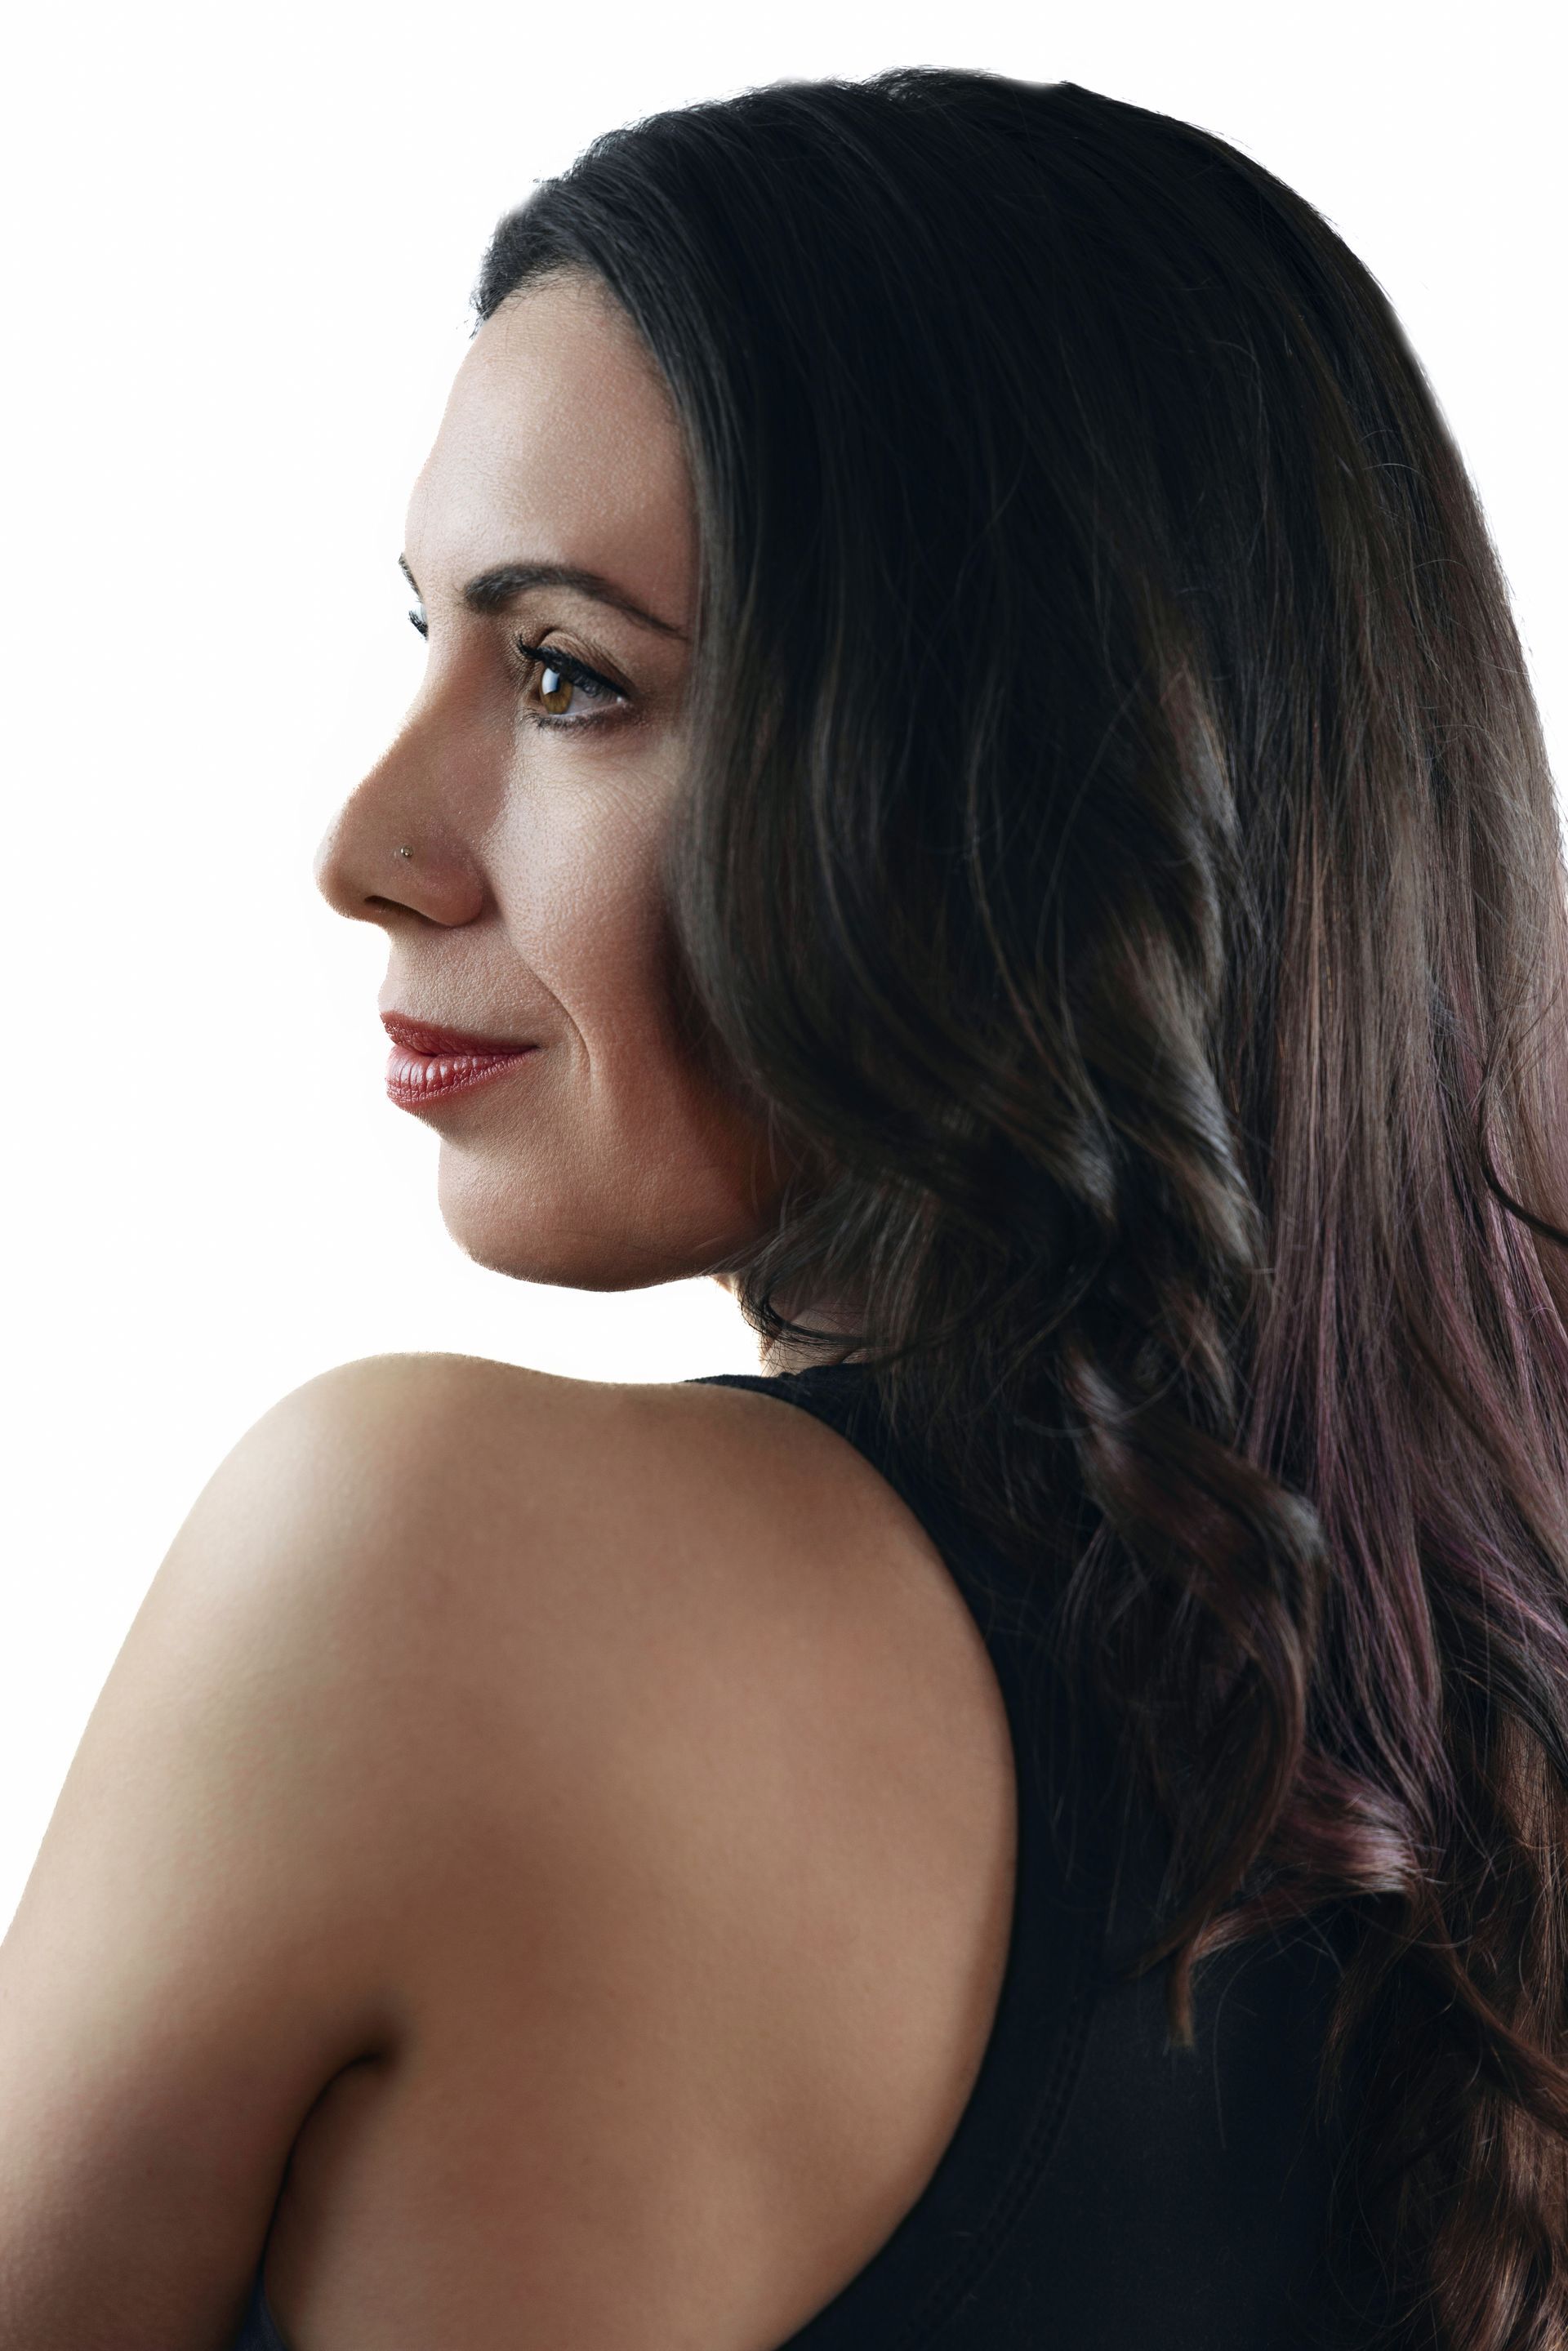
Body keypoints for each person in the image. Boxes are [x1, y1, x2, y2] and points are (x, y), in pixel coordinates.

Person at [3, 64, 1567, 2351]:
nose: (367, 840)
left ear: (1018, 785)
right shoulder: (1481, 1758)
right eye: (422, 639)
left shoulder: (433, 1562)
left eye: (569, 678)